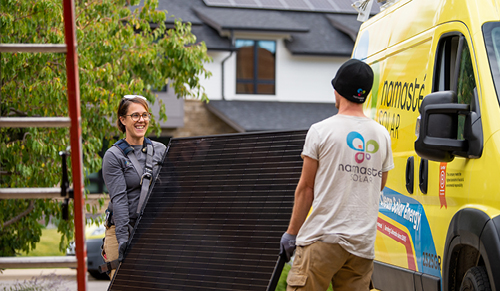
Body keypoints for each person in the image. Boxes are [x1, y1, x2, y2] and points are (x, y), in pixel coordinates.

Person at [280, 59, 394, 291]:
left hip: (322, 239)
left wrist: (292, 233)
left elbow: (306, 189)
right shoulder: (382, 135)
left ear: (337, 90)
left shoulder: (321, 131)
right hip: (361, 246)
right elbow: (378, 185)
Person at [101, 95, 166, 278]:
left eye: (145, 115)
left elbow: (172, 192)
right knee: (126, 283)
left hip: (152, 231)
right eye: (135, 115)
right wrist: (123, 241)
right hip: (123, 229)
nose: (141, 120)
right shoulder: (114, 156)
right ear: (123, 120)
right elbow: (119, 201)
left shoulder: (160, 150)